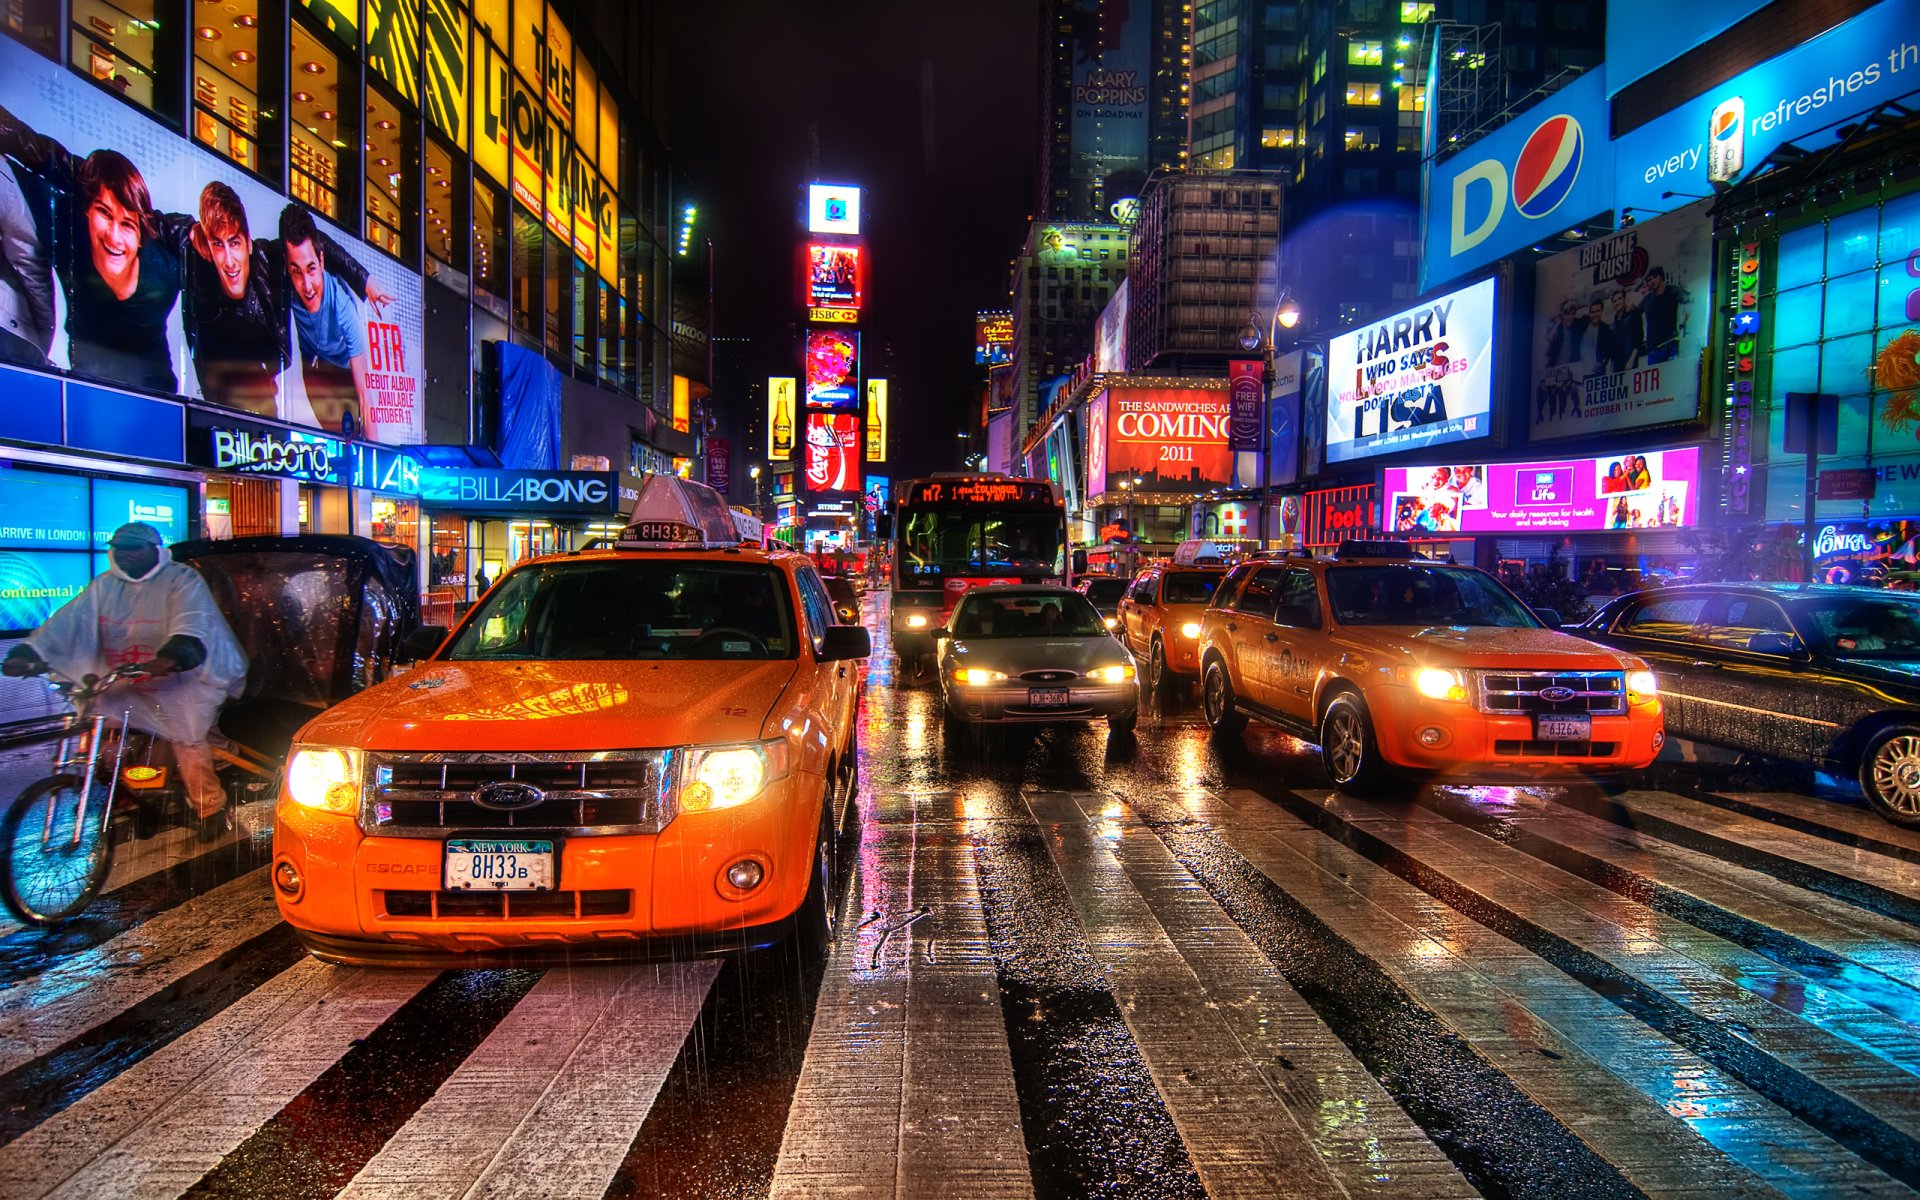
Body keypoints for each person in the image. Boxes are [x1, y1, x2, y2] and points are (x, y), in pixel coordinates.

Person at [2, 523, 247, 827]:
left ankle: (210, 808)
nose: (123, 554)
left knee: (187, 738)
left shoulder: (181, 580)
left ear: (153, 551)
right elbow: (66, 623)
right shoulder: (105, 586)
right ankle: (124, 793)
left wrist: (171, 658)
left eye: (132, 548)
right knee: (103, 729)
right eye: (118, 548)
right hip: (129, 677)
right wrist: (29, 654)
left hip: (185, 676)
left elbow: (192, 624)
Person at [0, 103, 196, 391]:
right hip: (87, 388)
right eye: (104, 213)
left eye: (127, 224)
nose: (114, 237)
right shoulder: (66, 230)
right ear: (86, 212)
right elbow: (32, 157)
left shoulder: (166, 266)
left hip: (158, 396)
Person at [186, 186, 387, 416]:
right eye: (217, 244)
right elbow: (164, 227)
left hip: (264, 386)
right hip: (219, 396)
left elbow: (313, 243)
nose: (230, 261)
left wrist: (364, 279)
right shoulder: (197, 265)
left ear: (248, 242)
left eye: (234, 243)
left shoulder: (267, 258)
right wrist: (191, 229)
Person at [282, 205, 377, 437]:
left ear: (322, 261)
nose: (307, 286)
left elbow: (365, 397)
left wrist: (377, 453)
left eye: (311, 269)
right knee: (335, 433)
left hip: (344, 370)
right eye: (296, 271)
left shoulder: (342, 307)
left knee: (354, 431)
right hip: (314, 367)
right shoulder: (284, 285)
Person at [1641, 267, 1686, 364]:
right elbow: (1635, 312)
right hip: (1653, 351)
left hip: (1670, 347)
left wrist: (1682, 324)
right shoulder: (1648, 299)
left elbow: (1691, 300)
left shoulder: (1673, 291)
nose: (1651, 282)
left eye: (1654, 277)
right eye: (1649, 280)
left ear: (1661, 276)